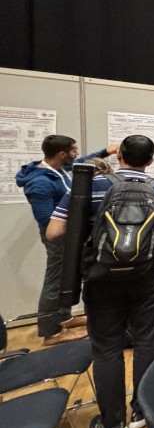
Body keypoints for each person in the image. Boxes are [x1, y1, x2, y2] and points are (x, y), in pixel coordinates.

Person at [47, 135, 154, 428]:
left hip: (101, 279)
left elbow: (55, 231)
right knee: (147, 342)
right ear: (151, 160)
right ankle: (143, 412)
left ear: (119, 156)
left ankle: (112, 422)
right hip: (149, 278)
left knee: (106, 348)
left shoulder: (89, 186)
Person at [15, 134, 118, 345]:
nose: (77, 154)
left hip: (71, 235)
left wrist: (106, 152)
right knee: (55, 281)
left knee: (67, 278)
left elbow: (82, 163)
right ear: (62, 154)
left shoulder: (58, 170)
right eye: (73, 151)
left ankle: (64, 317)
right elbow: (47, 220)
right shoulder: (40, 182)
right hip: (58, 239)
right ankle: (50, 332)